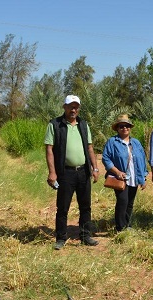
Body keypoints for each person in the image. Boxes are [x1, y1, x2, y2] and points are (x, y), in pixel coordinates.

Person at [45, 95, 99, 250]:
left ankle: (85, 236)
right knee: (62, 207)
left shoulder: (83, 124)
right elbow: (49, 149)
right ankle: (61, 238)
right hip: (65, 173)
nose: (73, 109)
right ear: (64, 107)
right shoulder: (55, 124)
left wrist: (94, 168)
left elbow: (89, 147)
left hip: (83, 172)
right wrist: (52, 172)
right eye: (70, 106)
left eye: (76, 107)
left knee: (85, 206)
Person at [102, 114, 148, 232]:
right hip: (120, 178)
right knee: (123, 201)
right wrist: (117, 172)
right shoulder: (112, 142)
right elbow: (106, 158)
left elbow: (142, 159)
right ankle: (120, 227)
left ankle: (127, 224)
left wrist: (143, 177)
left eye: (127, 126)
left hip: (134, 176)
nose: (125, 128)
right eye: (121, 126)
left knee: (130, 202)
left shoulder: (136, 143)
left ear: (130, 128)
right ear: (117, 128)